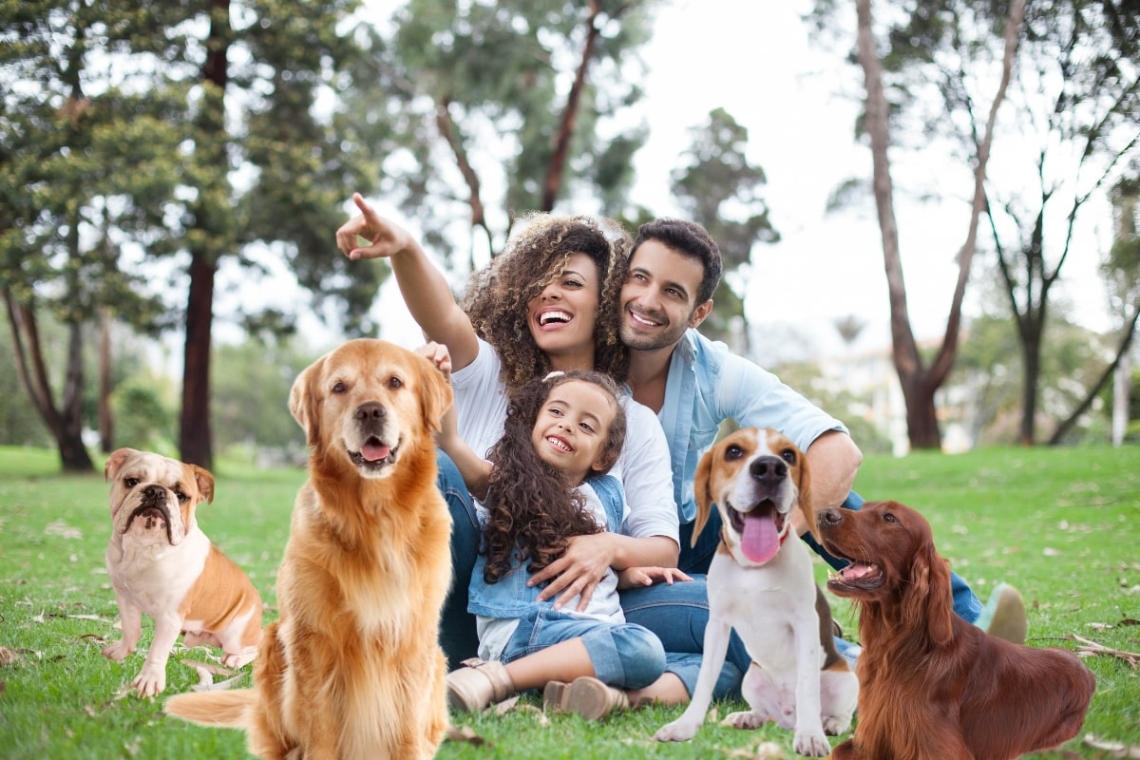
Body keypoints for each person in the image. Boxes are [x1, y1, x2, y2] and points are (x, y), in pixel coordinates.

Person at [336, 196, 749, 704]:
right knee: (436, 466)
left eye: (571, 283)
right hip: (475, 602)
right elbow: (442, 315)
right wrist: (404, 248)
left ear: (606, 303)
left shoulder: (632, 423)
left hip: (585, 610)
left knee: (729, 614)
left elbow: (661, 544)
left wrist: (609, 548)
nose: (549, 293)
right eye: (538, 284)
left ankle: (611, 693)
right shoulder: (488, 372)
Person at [602, 217, 1027, 648]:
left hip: (694, 534)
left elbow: (839, 452)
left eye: (673, 292)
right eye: (640, 278)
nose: (648, 300)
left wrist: (776, 539)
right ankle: (843, 658)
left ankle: (966, 621)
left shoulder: (713, 370)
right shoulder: (580, 359)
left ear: (699, 313)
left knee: (814, 488)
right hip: (622, 552)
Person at [424, 353, 691, 718]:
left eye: (586, 426)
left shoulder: (607, 495)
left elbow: (600, 557)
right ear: (534, 421)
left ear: (603, 456)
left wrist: (626, 573)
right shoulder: (510, 483)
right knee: (641, 648)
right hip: (526, 629)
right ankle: (493, 679)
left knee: (711, 664)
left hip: (592, 634)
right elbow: (451, 445)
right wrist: (438, 382)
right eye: (556, 412)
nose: (567, 426)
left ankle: (601, 697)